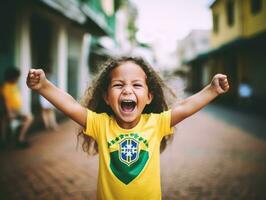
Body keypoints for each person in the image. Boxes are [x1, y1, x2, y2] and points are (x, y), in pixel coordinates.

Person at [26, 57, 229, 200]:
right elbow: (70, 105)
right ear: (106, 97)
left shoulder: (156, 123)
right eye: (118, 85)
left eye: (137, 85)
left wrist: (212, 90)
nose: (127, 89)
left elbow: (184, 107)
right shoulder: (100, 124)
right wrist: (44, 86)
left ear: (149, 97)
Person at [3, 67, 33, 148]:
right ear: (11, 77)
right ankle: (20, 139)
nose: (17, 79)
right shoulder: (6, 87)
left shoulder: (14, 85)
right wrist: (9, 113)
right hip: (12, 111)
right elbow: (6, 102)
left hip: (17, 110)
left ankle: (19, 137)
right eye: (16, 78)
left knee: (28, 119)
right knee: (28, 118)